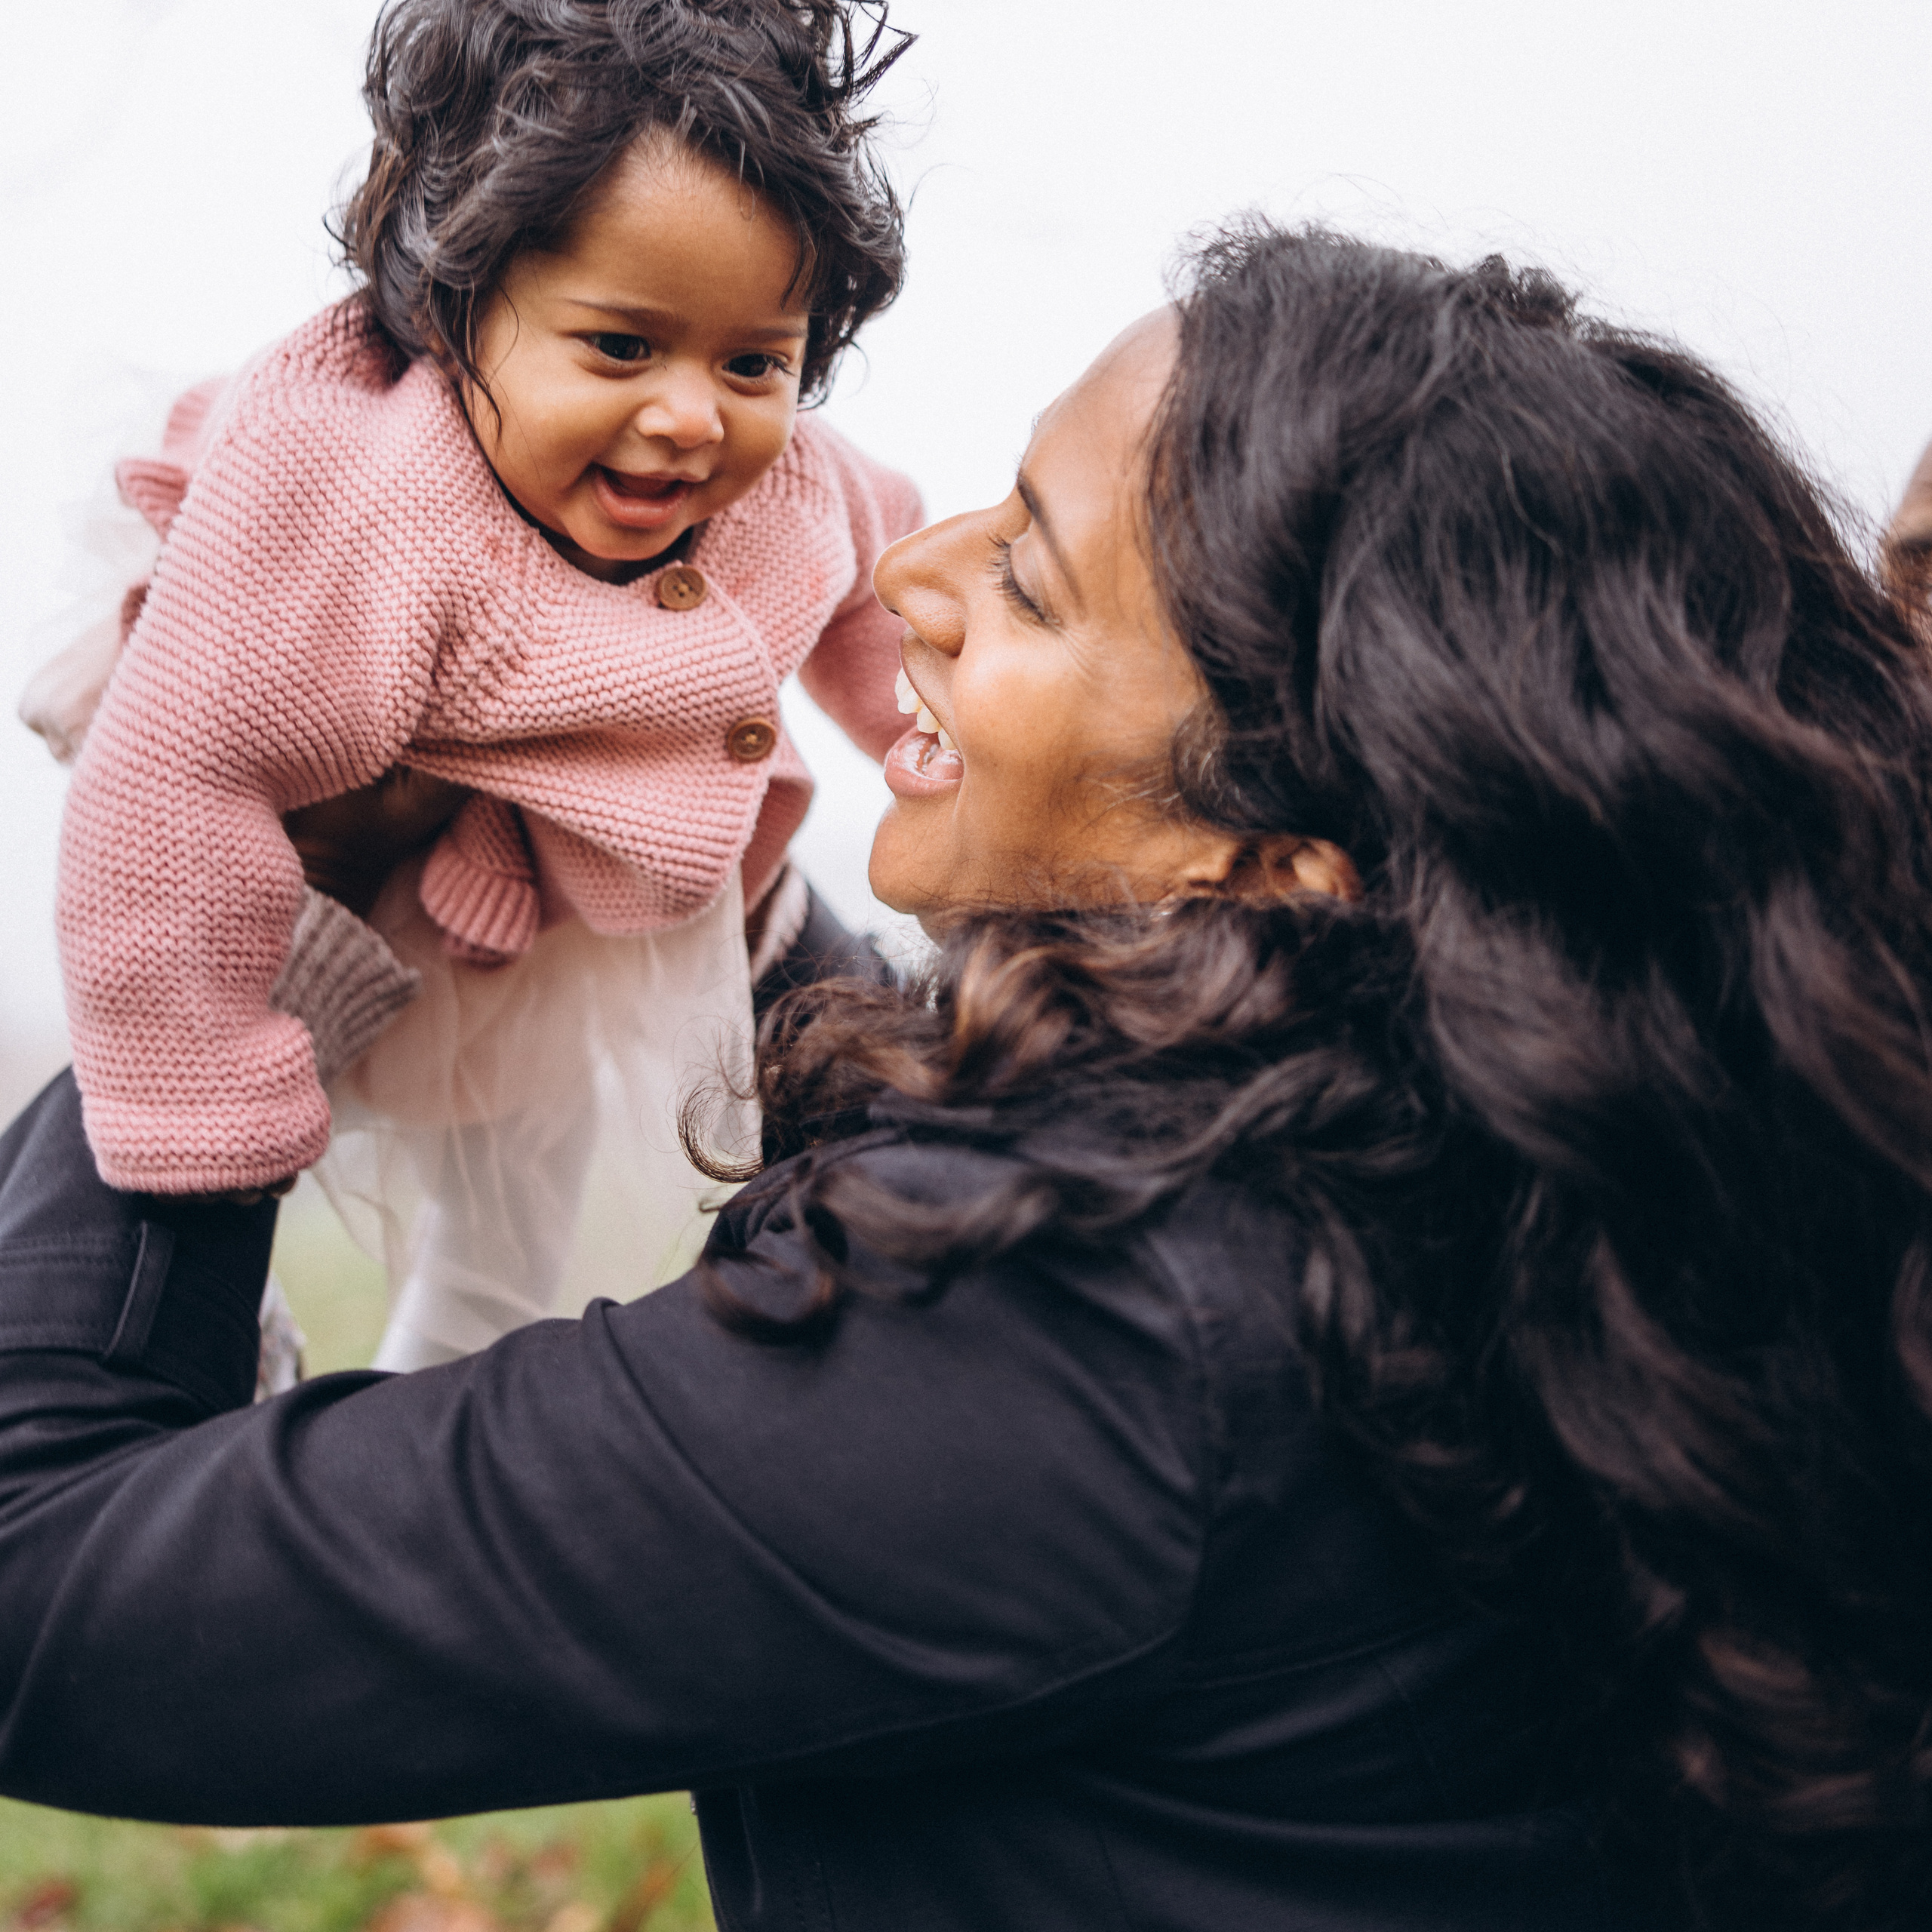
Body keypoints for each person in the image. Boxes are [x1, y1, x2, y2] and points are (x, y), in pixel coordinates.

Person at [2, 221, 1930, 1932]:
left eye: (1026, 577)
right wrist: (727, 908)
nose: (900, 566)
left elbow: (43, 1590)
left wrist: (260, 914)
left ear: (1280, 855)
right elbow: (1079, 1139)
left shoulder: (1055, 1349)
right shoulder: (1659, 1149)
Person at [20, 0, 918, 1369]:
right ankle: (225, 1308)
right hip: (312, 863)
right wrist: (202, 1110)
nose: (691, 415)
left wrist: (922, 734)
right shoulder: (356, 518)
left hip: (575, 869)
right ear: (453, 312)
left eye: (755, 363)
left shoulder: (799, 484)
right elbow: (177, 791)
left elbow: (877, 582)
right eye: (620, 347)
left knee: (528, 1162)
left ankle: (445, 1370)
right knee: (229, 1113)